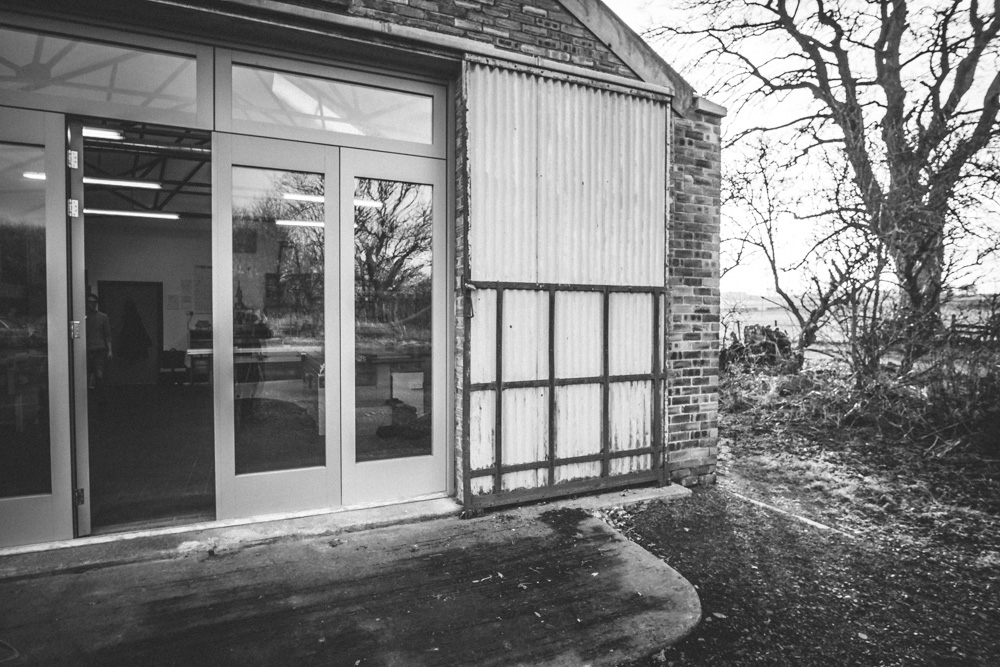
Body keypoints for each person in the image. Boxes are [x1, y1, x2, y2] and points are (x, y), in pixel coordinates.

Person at [86, 292, 112, 388]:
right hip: (86, 349)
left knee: (99, 374)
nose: (92, 304)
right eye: (90, 302)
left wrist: (110, 350)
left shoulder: (103, 317)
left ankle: (99, 396)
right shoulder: (83, 317)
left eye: (94, 302)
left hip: (99, 349)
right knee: (86, 374)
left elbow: (108, 334)